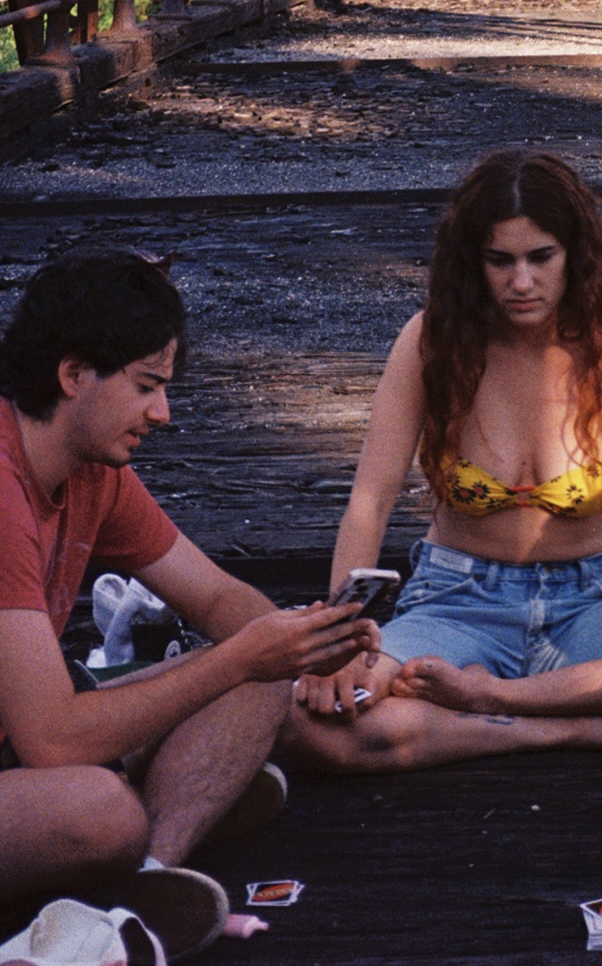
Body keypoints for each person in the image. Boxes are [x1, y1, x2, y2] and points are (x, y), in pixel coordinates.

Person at [283, 148, 602, 784]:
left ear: (575, 255)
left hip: (589, 606)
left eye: (540, 257)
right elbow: (369, 502)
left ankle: (491, 700)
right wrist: (341, 644)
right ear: (473, 261)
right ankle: (571, 726)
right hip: (455, 605)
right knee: (311, 720)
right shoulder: (431, 343)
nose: (522, 282)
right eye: (501, 260)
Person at [0, 251, 376, 959]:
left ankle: (145, 884)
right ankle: (155, 813)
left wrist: (316, 640)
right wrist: (243, 656)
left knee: (262, 674)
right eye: (146, 386)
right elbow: (52, 740)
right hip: (38, 742)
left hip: (19, 742)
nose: (163, 413)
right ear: (73, 375)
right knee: (102, 813)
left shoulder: (91, 471)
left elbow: (218, 596)